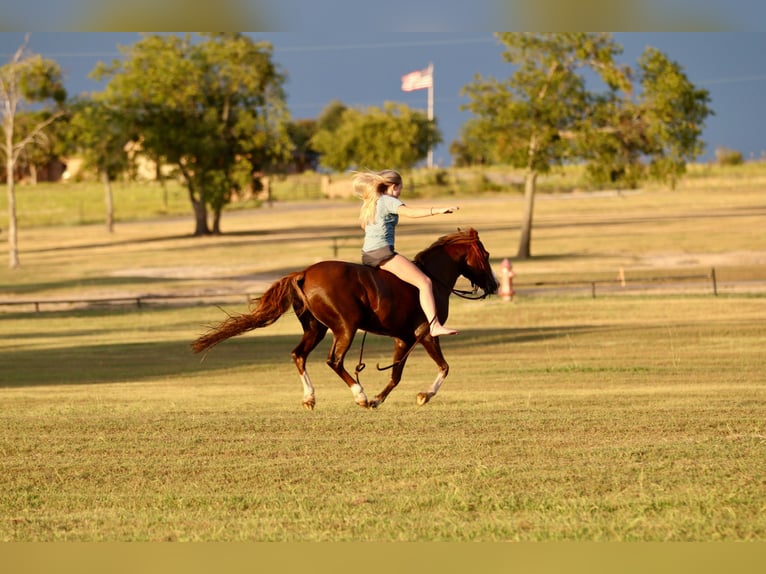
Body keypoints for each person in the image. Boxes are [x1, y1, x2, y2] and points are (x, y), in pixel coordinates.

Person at [353, 169, 459, 337]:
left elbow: (364, 226)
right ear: (394, 187)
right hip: (383, 254)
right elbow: (411, 212)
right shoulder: (388, 201)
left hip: (367, 254)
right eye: (400, 188)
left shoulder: (372, 201)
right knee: (424, 282)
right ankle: (434, 325)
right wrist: (438, 210)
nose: (400, 192)